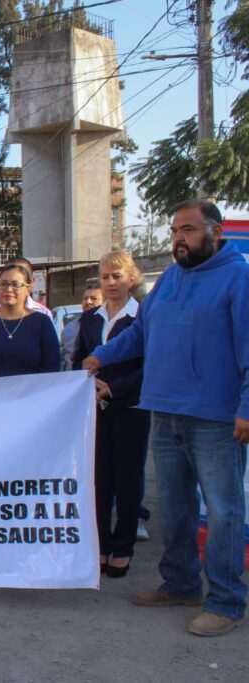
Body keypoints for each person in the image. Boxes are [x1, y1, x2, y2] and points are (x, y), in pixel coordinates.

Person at [83, 199, 249, 637]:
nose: (178, 238)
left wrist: (246, 409)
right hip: (165, 411)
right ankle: (180, 584)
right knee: (173, 508)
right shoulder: (171, 278)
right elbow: (141, 333)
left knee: (223, 512)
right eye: (175, 230)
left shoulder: (239, 277)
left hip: (216, 419)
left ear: (215, 232)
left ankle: (227, 601)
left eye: (189, 230)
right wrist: (100, 356)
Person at [72, 251, 147, 579]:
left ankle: (124, 546)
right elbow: (78, 359)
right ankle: (100, 543)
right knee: (98, 480)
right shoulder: (89, 319)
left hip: (130, 407)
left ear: (131, 278)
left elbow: (148, 365)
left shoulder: (142, 316)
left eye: (117, 276)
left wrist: (113, 388)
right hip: (94, 410)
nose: (111, 283)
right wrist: (91, 383)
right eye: (105, 277)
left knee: (127, 481)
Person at [0, 264, 60, 379]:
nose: (8, 289)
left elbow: (52, 365)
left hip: (32, 394)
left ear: (28, 289)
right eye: (3, 284)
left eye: (15, 285)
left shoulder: (42, 322)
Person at [61, 284, 103, 370]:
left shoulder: (109, 325)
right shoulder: (69, 328)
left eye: (94, 298)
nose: (88, 302)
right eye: (85, 298)